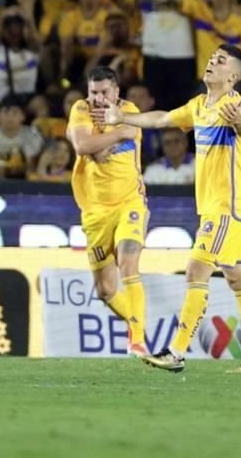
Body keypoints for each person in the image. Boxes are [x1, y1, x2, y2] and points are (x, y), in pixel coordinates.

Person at [96, 45, 241, 374]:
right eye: (212, 58)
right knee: (238, 278)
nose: (212, 62)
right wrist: (122, 116)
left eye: (221, 61)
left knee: (196, 270)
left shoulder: (234, 104)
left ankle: (176, 353)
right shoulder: (199, 106)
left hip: (227, 206)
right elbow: (163, 118)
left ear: (233, 76)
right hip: (218, 208)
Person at [67, 66, 148, 356]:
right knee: (105, 291)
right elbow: (83, 146)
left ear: (116, 91)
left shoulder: (130, 111)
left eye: (104, 92)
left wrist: (101, 143)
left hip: (130, 202)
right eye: (93, 92)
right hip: (95, 211)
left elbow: (97, 147)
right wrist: (116, 136)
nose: (98, 98)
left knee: (128, 263)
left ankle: (137, 339)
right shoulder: (80, 109)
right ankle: (138, 323)